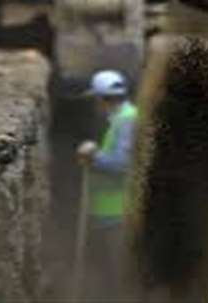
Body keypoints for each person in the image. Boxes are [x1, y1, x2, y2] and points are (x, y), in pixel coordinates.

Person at [76, 69, 138, 294]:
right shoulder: (119, 120)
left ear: (101, 99)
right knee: (107, 274)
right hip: (108, 214)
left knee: (117, 277)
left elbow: (121, 164)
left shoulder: (127, 121)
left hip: (118, 213)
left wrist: (94, 155)